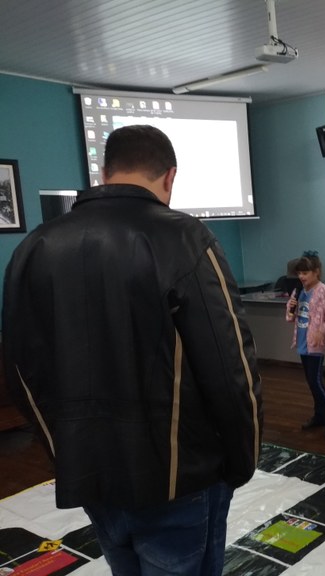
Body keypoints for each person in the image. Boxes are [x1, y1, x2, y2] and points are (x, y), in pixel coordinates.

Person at [2, 124, 262, 575]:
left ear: (104, 172)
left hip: (92, 474)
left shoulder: (34, 247)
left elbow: (21, 371)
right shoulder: (185, 238)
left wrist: (66, 451)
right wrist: (243, 461)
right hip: (180, 475)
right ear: (171, 176)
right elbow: (230, 367)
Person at [286, 251, 325, 441]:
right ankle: (319, 415)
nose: (301, 277)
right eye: (299, 273)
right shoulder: (299, 291)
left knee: (316, 381)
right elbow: (291, 316)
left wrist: (323, 329)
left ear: (316, 272)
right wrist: (291, 307)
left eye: (305, 273)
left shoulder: (324, 291)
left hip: (316, 344)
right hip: (303, 341)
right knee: (311, 382)